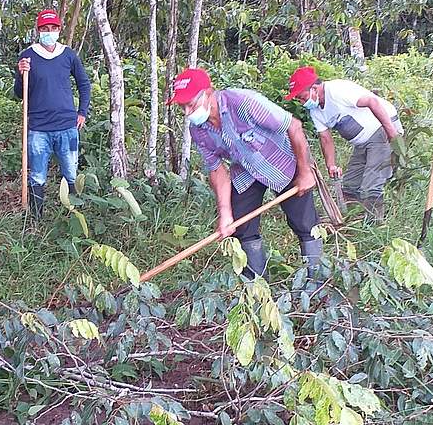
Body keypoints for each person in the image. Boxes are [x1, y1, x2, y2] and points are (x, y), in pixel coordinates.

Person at [168, 68, 321, 280]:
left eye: (190, 104)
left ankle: (316, 282)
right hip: (245, 172)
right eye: (182, 107)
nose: (187, 112)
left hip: (281, 162)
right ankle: (257, 288)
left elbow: (293, 126)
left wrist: (304, 173)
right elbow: (217, 169)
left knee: (304, 223)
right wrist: (225, 213)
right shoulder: (199, 130)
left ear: (208, 92)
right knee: (241, 226)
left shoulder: (243, 102)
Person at [285, 67, 404, 221]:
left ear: (314, 88)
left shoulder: (337, 90)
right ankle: (354, 219)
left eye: (302, 97)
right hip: (362, 142)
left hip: (381, 130)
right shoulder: (316, 110)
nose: (302, 102)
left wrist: (391, 133)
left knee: (371, 183)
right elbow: (325, 137)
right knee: (350, 185)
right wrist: (331, 165)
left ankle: (375, 224)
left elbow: (372, 101)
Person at [15, 9, 92, 216]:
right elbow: (19, 93)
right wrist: (21, 73)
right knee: (37, 176)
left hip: (67, 126)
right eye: (45, 29)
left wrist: (82, 112)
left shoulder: (68, 55)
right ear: (38, 30)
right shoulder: (28, 56)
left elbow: (84, 84)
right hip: (38, 128)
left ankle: (73, 215)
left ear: (59, 29)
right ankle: (36, 219)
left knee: (71, 173)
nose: (49, 32)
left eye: (53, 28)